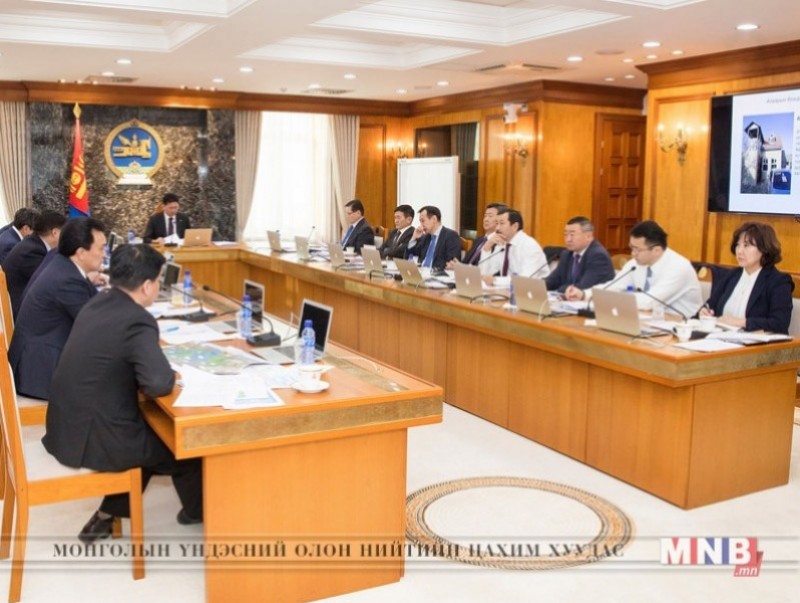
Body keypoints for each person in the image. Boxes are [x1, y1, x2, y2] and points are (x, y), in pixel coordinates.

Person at [43, 244, 203, 544]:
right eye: (159, 280)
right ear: (146, 286)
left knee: (151, 434)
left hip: (67, 425)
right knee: (187, 444)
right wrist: (170, 371)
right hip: (95, 436)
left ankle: (105, 516)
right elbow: (158, 384)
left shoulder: (98, 301)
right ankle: (198, 512)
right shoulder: (137, 320)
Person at [8, 217, 106, 400]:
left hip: (39, 356)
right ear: (81, 253)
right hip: (40, 372)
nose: (104, 255)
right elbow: (98, 326)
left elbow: (92, 303)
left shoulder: (62, 263)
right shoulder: (67, 280)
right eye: (101, 248)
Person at [565, 220, 703, 318]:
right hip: (648, 320)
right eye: (631, 247)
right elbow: (614, 287)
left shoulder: (678, 267)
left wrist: (614, 300)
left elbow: (649, 302)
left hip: (683, 327)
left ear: (656, 250)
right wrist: (584, 294)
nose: (633, 254)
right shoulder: (635, 264)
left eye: (637, 249)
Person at [700, 222, 794, 333]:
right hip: (720, 337)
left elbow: (779, 323)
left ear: (764, 249)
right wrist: (704, 311)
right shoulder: (731, 275)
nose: (739, 251)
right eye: (738, 245)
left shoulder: (778, 281)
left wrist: (741, 322)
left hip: (755, 342)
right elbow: (710, 305)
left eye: (746, 245)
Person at [1, 210, 66, 317]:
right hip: (18, 310)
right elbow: (49, 282)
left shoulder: (34, 242)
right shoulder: (32, 251)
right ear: (54, 232)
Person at [545, 216, 615, 293]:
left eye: (572, 235)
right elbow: (553, 280)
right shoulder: (567, 254)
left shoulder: (598, 256)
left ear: (588, 236)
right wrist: (539, 285)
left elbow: (583, 287)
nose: (568, 239)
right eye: (565, 235)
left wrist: (561, 288)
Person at [478, 208, 549, 280]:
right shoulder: (502, 244)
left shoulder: (529, 246)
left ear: (515, 226)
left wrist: (496, 281)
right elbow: (486, 273)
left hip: (532, 286)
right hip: (507, 286)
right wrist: (487, 248)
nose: (497, 228)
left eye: (501, 223)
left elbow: (524, 280)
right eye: (497, 223)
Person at [451, 202, 507, 270]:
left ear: (500, 219)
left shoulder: (500, 242)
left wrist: (462, 268)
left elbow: (489, 269)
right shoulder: (479, 240)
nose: (486, 219)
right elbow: (466, 263)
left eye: (490, 216)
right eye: (485, 216)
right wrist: (457, 266)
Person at [405, 205, 461, 271]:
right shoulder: (426, 237)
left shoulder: (451, 236)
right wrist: (413, 238)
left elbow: (451, 263)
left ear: (434, 219)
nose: (421, 225)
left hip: (436, 274)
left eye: (423, 221)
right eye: (420, 221)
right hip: (421, 272)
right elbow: (409, 256)